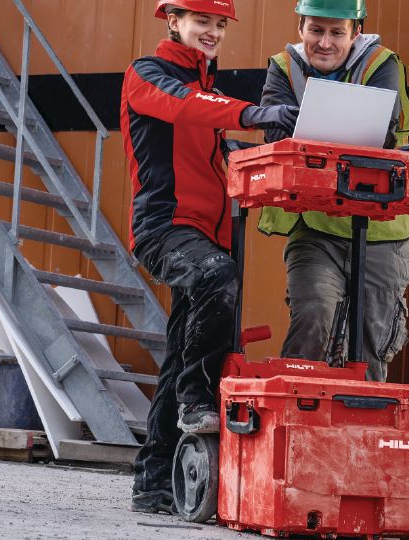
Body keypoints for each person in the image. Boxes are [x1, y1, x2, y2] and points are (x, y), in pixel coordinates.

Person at [122, 0, 299, 514]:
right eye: (203, 22)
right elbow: (182, 105)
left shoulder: (210, 94)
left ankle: (152, 486)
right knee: (218, 279)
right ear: (173, 22)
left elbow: (216, 137)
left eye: (220, 25)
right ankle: (199, 399)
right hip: (164, 229)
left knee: (181, 353)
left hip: (208, 235)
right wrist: (253, 110)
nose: (213, 32)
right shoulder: (146, 75)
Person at [257, 0, 409, 382]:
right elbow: (276, 134)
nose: (324, 42)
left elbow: (382, 133)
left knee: (370, 347)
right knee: (312, 318)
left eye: (336, 32)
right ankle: (296, 420)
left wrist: (311, 132)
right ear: (301, 27)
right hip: (315, 227)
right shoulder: (283, 68)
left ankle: (359, 431)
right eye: (316, 30)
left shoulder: (383, 64)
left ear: (356, 32)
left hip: (382, 232)